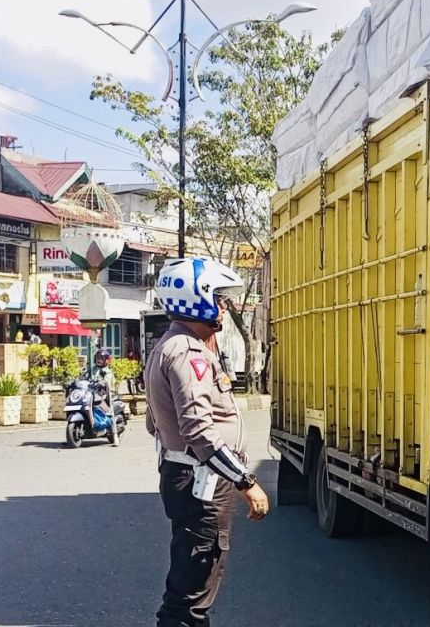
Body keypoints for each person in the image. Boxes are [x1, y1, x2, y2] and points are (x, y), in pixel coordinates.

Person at [144, 257, 271, 627]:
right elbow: (200, 432)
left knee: (192, 586)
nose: (223, 306)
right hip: (202, 484)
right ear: (194, 299)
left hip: (188, 477)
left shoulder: (170, 345)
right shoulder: (187, 352)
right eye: (216, 298)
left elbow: (155, 423)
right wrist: (245, 481)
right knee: (190, 598)